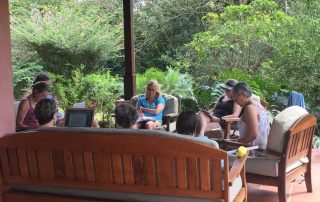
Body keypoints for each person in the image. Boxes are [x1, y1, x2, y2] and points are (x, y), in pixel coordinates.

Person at [232, 82, 270, 149]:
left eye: (236, 99)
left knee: (219, 154)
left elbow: (253, 135)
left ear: (244, 94)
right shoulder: (259, 105)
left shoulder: (250, 108)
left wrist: (236, 142)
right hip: (261, 147)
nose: (235, 102)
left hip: (253, 150)